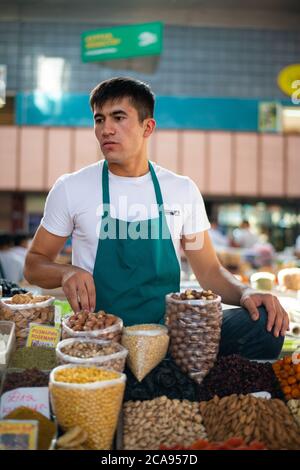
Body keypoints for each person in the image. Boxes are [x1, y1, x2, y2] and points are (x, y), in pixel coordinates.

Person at [24, 77, 289, 360]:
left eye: (118, 117)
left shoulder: (182, 190)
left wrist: (246, 291)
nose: (106, 129)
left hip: (169, 335)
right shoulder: (71, 187)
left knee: (264, 323)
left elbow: (210, 271)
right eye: (99, 120)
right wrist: (66, 272)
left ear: (147, 127)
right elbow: (34, 264)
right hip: (100, 333)